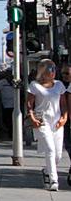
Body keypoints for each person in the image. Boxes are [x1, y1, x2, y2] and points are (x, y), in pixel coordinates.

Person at [26, 59, 67, 191]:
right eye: (51, 69)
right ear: (43, 71)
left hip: (57, 123)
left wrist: (64, 117)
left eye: (54, 69)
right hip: (42, 121)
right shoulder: (34, 86)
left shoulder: (59, 85)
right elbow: (29, 104)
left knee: (58, 155)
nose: (53, 72)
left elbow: (63, 104)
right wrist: (32, 118)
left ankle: (46, 170)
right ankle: (54, 180)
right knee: (50, 149)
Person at [0, 70, 15, 136]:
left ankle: (12, 132)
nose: (10, 76)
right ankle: (10, 131)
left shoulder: (15, 81)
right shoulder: (2, 82)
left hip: (15, 104)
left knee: (13, 119)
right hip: (5, 104)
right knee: (7, 119)